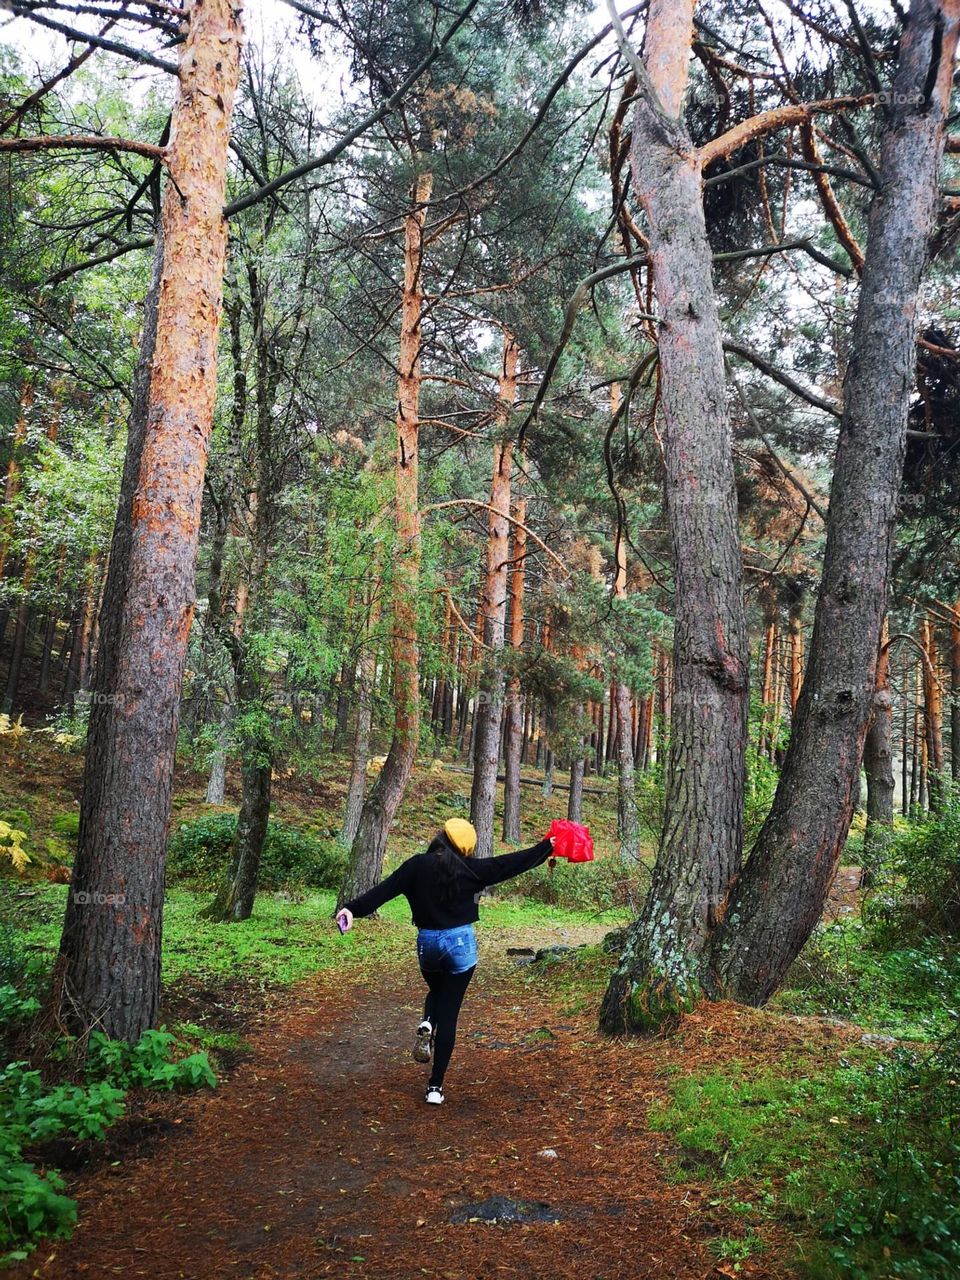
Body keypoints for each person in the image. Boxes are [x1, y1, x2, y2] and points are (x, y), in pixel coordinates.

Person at [335, 818, 554, 1106]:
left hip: (428, 944)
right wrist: (545, 848)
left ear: (440, 838)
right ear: (465, 848)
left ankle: (427, 1021)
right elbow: (510, 864)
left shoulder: (416, 865)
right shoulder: (472, 869)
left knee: (436, 990)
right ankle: (435, 1087)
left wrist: (351, 909)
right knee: (449, 1012)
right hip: (460, 944)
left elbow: (382, 892)